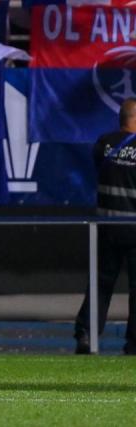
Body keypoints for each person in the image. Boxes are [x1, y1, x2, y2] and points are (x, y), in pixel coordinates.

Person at [75, 97, 136, 356]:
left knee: (100, 284)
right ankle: (134, 344)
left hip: (106, 227)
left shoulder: (104, 143)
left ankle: (86, 335)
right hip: (134, 229)